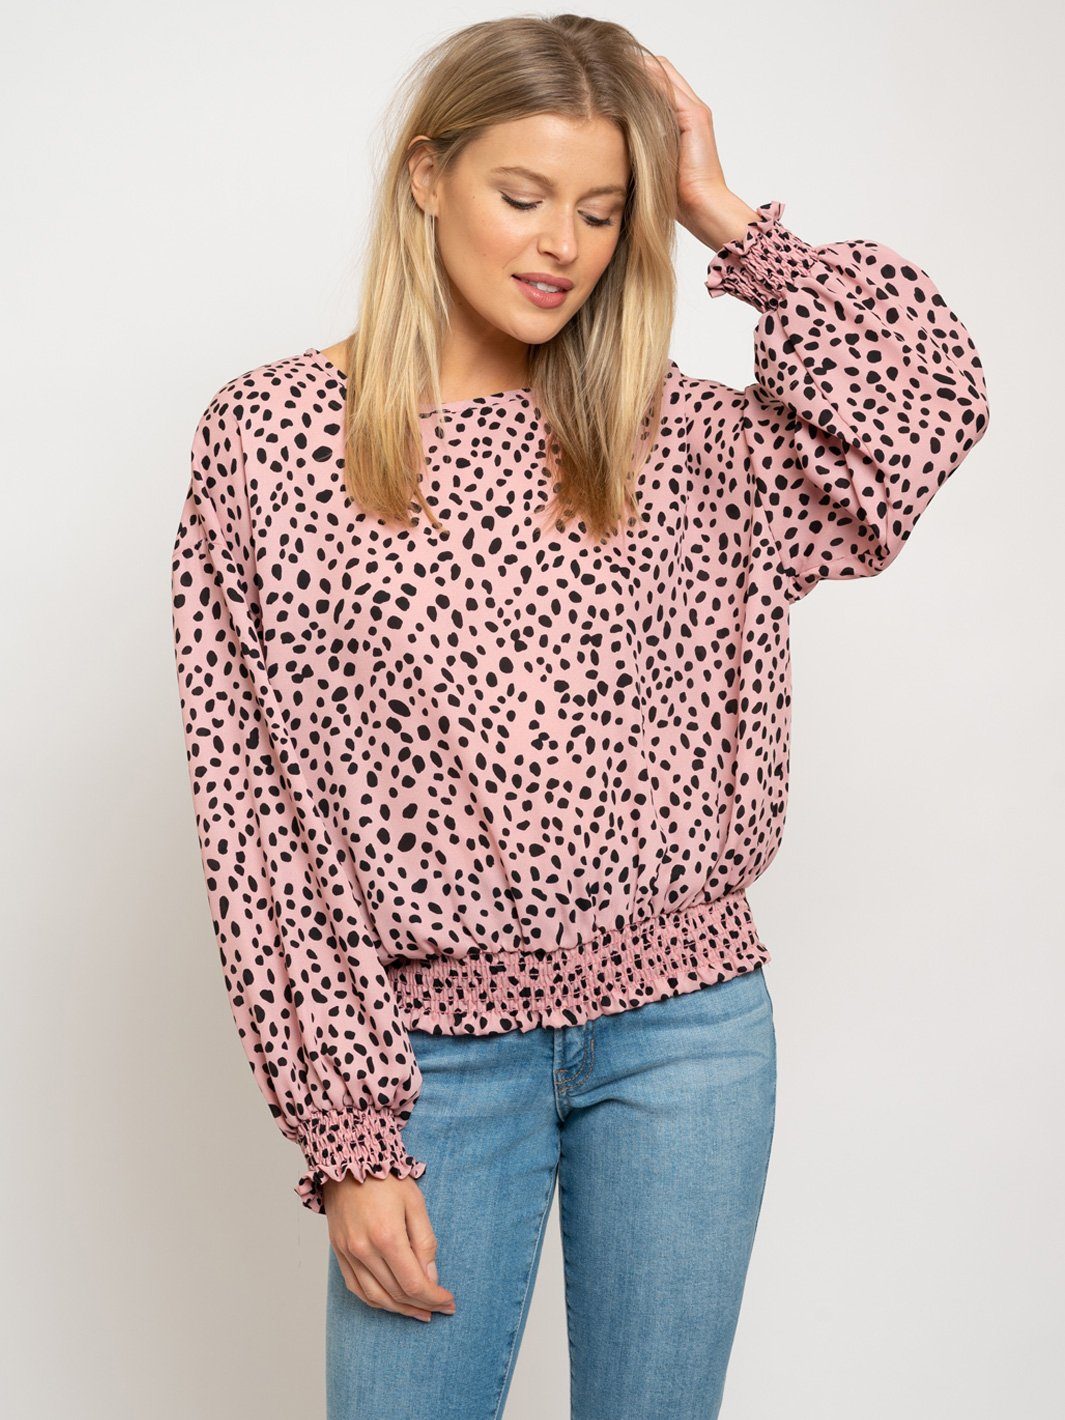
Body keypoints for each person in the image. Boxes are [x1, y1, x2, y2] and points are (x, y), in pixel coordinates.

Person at [169, 14, 990, 1419]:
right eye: (523, 195)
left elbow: (927, 401)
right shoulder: (274, 442)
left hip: (686, 1040)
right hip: (426, 1064)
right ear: (426, 175)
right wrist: (350, 1134)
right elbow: (257, 818)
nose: (562, 244)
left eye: (604, 211)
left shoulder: (681, 440)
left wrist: (721, 210)